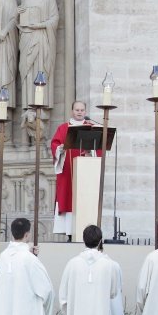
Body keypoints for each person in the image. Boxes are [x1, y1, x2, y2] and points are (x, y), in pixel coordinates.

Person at [50, 101, 96, 238]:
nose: (79, 112)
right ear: (72, 111)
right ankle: (70, 233)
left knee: (84, 199)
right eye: (77, 110)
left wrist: (91, 152)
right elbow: (55, 145)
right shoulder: (63, 128)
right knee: (69, 198)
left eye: (82, 110)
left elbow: (99, 148)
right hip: (68, 173)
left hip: (85, 174)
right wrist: (60, 149)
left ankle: (87, 232)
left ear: (85, 111)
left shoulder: (92, 128)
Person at [17, 0, 59, 108]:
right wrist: (18, 13)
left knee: (40, 68)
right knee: (27, 70)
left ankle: (41, 105)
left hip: (41, 37)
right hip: (26, 37)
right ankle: (28, 103)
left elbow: (54, 18)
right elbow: (20, 20)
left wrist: (40, 25)